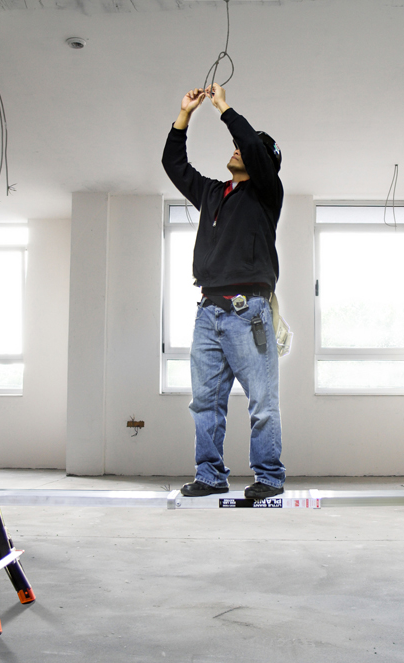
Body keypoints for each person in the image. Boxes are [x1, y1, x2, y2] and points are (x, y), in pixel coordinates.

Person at [162, 84, 285, 500]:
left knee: (262, 403)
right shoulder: (214, 194)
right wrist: (185, 115)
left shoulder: (267, 195)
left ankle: (268, 476)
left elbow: (250, 141)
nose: (237, 150)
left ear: (264, 164)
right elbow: (173, 163)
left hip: (247, 311)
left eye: (246, 149)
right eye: (235, 147)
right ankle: (210, 474)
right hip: (208, 313)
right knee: (205, 404)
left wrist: (223, 107)